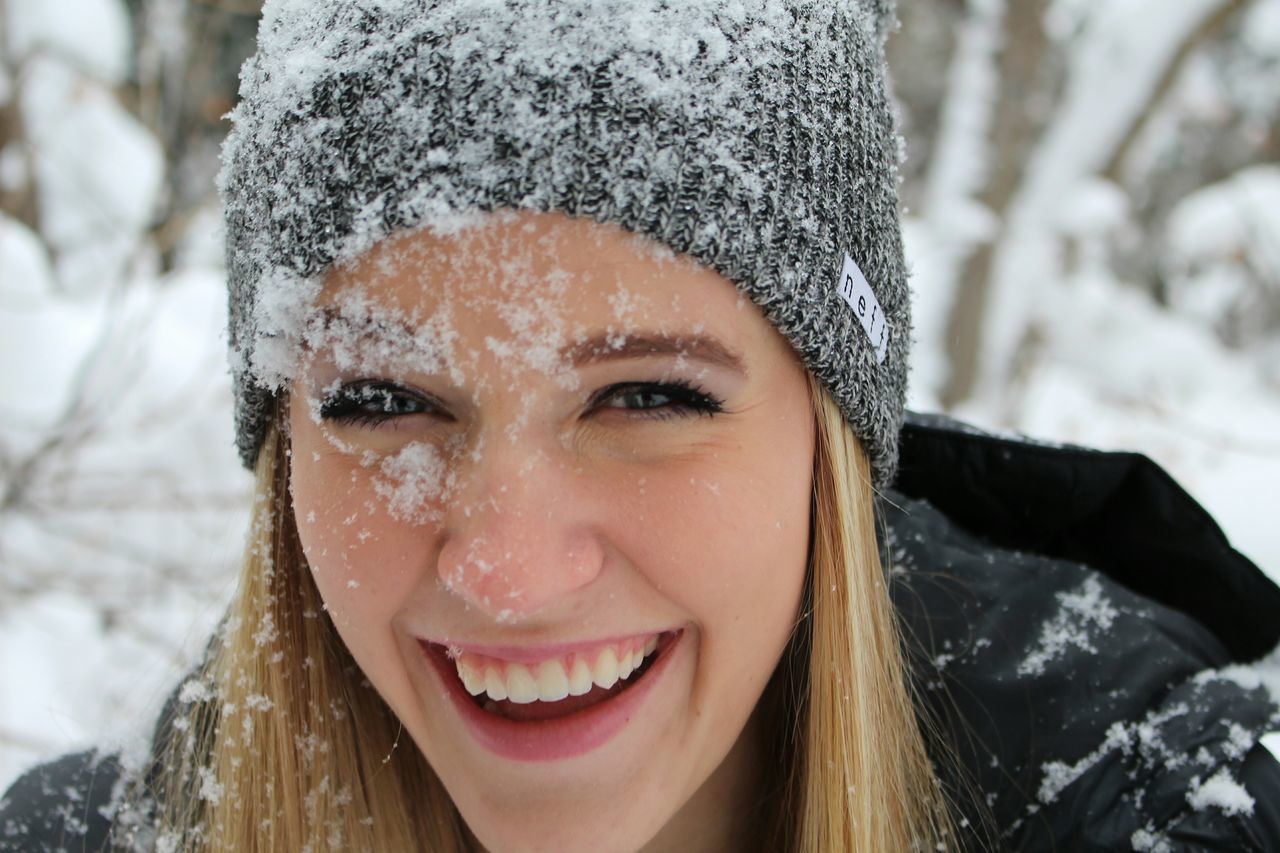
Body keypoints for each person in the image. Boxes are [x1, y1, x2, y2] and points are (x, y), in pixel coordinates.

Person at [3, 1, 1279, 851]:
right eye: (382, 401)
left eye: (649, 396)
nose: (504, 571)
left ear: (829, 433)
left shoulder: (1173, 809)